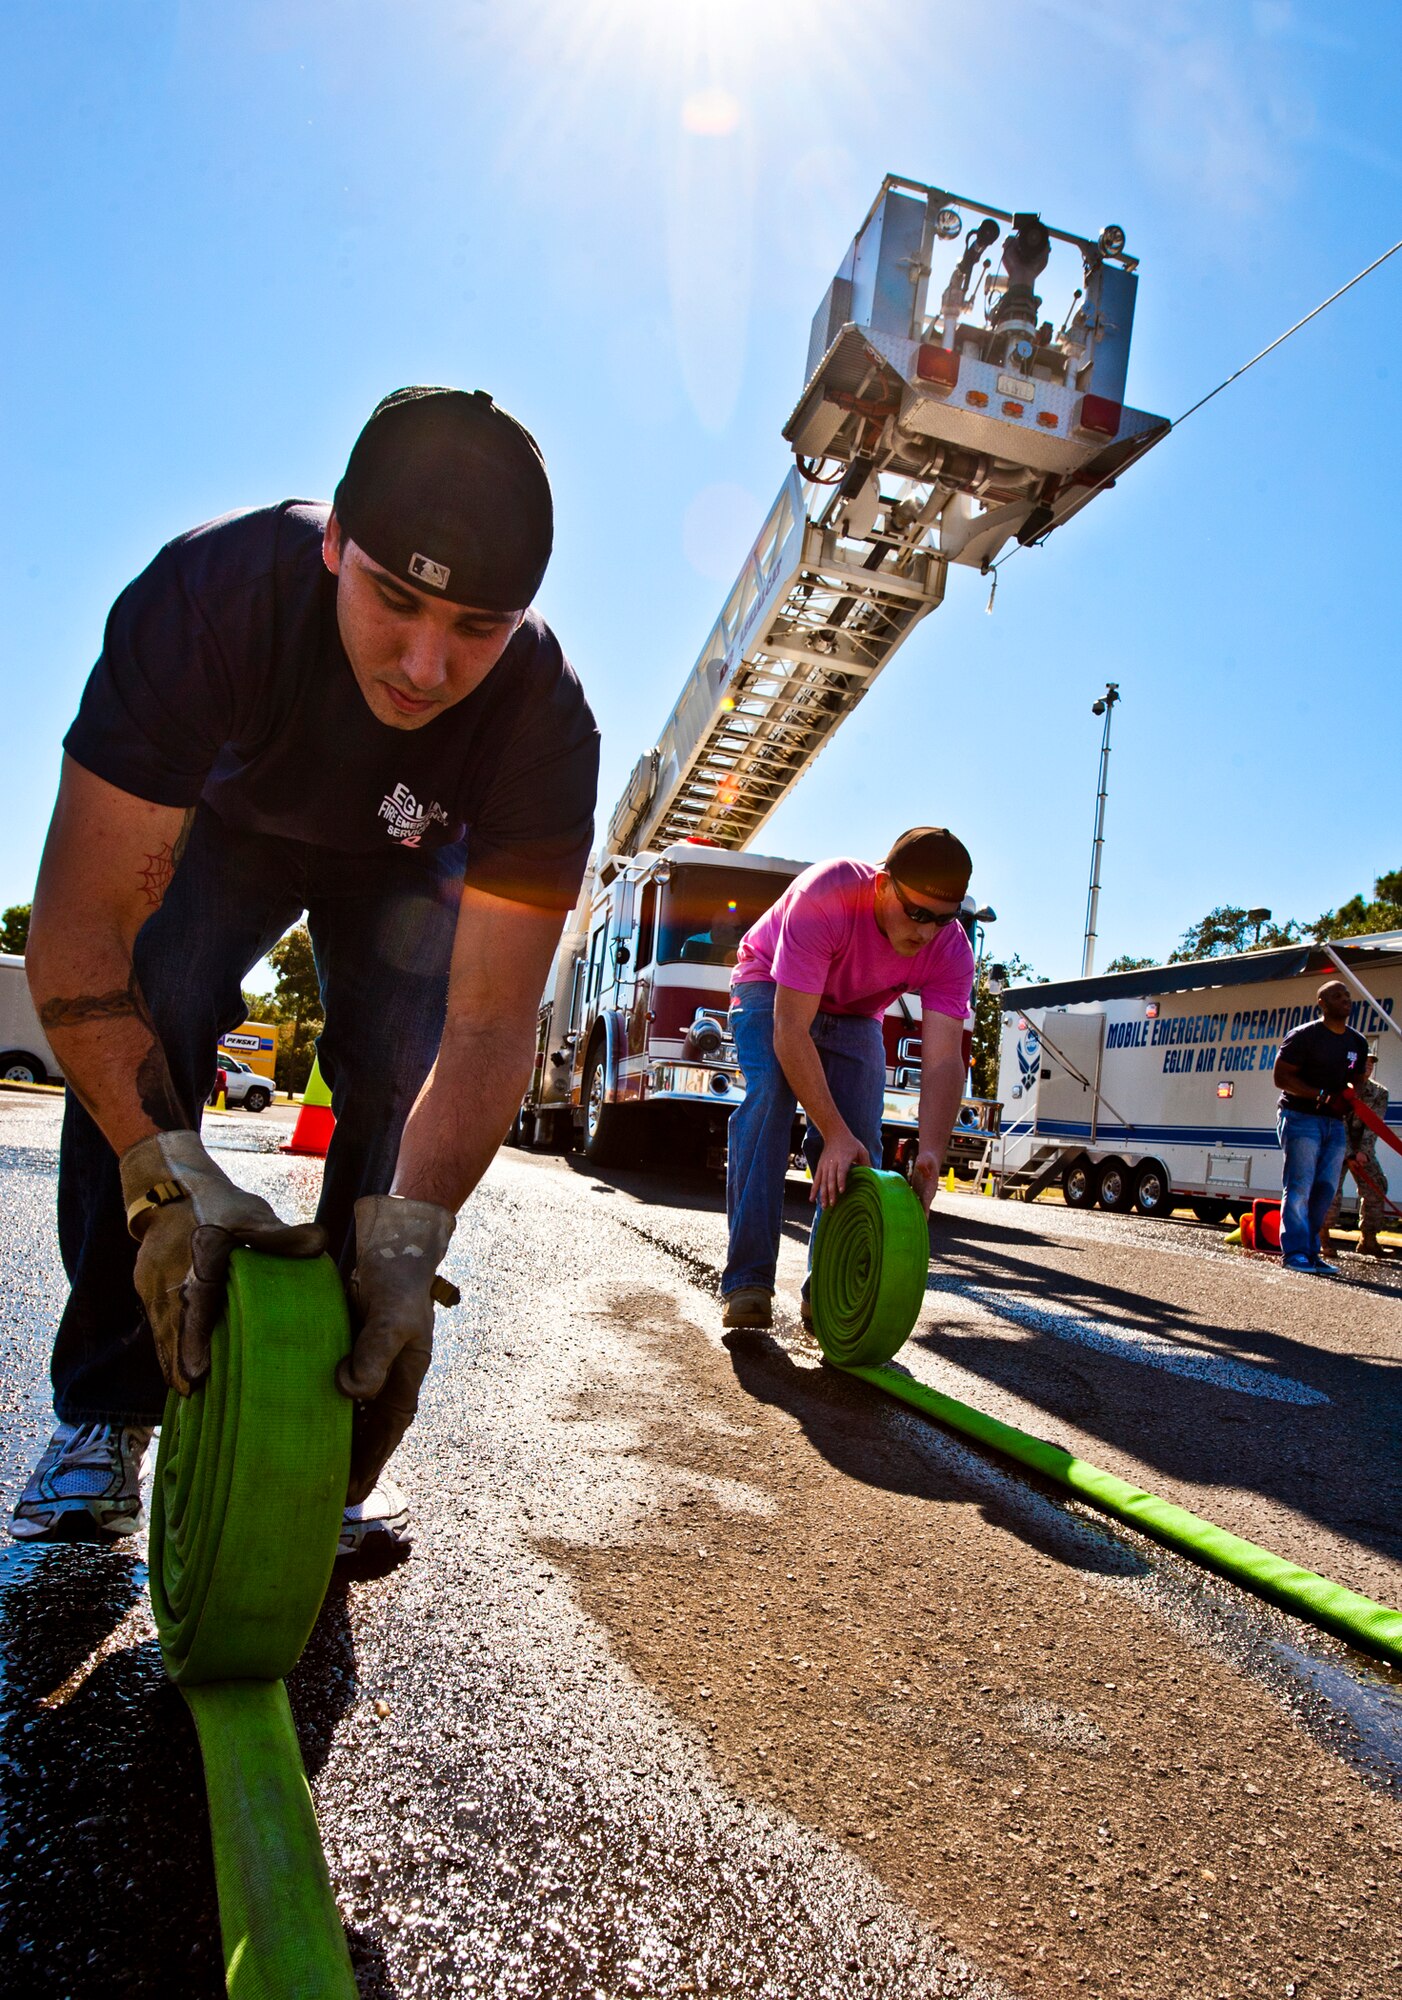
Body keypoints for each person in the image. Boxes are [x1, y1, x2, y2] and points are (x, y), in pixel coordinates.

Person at [11, 387, 599, 1551]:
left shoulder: (542, 722)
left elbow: (486, 1029)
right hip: (225, 824)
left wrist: (414, 1235)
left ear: (521, 616)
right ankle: (108, 1409)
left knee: (395, 1056)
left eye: (476, 625)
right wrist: (164, 1175)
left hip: (407, 862)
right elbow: (79, 939)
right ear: (333, 539)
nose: (427, 665)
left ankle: (328, 1428)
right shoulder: (208, 599)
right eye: (394, 597)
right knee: (160, 1000)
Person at [721, 828, 974, 1331]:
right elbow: (791, 1031)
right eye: (917, 913)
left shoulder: (951, 950)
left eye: (943, 919)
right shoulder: (829, 894)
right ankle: (748, 1280)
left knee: (861, 1138)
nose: (926, 932)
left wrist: (931, 1153)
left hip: (857, 1011)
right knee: (772, 1097)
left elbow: (945, 1060)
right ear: (882, 884)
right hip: (770, 986)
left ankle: (830, 1289)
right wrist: (829, 1132)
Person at [1272, 979, 1371, 1275]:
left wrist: (1353, 1088)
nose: (1345, 1000)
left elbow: (1355, 1081)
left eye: (1347, 995)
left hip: (1334, 1123)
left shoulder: (1357, 1042)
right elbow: (1281, 1077)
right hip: (1300, 1117)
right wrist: (1319, 1095)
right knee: (1299, 1186)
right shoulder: (1304, 1036)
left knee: (1325, 1189)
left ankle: (1312, 1252)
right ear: (1322, 1004)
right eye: (1337, 996)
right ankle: (1295, 1253)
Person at [1320, 1050, 1390, 1259]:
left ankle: (1368, 1240)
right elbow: (1337, 1121)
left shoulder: (1379, 1093)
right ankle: (1323, 1238)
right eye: (1365, 1062)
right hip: (1335, 1145)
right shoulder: (1341, 1089)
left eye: (1372, 1063)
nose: (1369, 1066)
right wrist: (1349, 1153)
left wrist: (1363, 1153)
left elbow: (1373, 1124)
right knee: (1330, 1191)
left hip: (1362, 1150)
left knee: (1377, 1186)